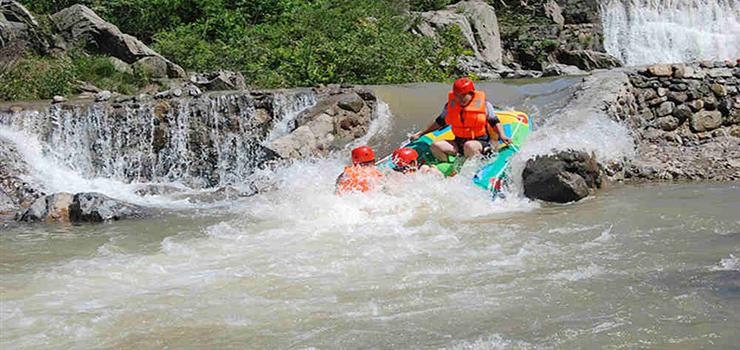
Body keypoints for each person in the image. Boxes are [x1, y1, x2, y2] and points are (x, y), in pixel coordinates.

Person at [409, 77, 512, 162]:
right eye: (457, 95)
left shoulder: (485, 105)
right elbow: (439, 122)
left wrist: (502, 135)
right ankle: (447, 166)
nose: (459, 99)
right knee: (436, 146)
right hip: (458, 142)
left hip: (479, 142)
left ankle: (474, 168)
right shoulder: (450, 106)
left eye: (463, 95)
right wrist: (420, 134)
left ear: (471, 94)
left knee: (469, 146)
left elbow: (495, 122)